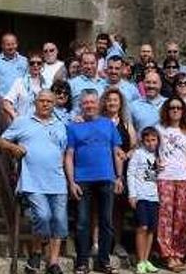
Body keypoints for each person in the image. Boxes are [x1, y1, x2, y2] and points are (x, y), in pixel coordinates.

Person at [0, 91, 68, 274]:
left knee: (59, 221)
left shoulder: (60, 125)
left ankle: (52, 262)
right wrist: (14, 147)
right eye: (42, 101)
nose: (45, 104)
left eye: (49, 102)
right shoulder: (22, 122)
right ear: (35, 103)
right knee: (43, 217)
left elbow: (63, 150)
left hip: (57, 181)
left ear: (54, 104)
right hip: (32, 181)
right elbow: (1, 141)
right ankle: (37, 251)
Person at [65, 90, 124, 274]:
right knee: (82, 222)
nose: (89, 106)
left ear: (98, 104)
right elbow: (69, 156)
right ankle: (82, 262)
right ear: (81, 105)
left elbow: (117, 152)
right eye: (85, 103)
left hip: (107, 178)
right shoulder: (73, 127)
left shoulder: (108, 124)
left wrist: (119, 177)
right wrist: (71, 182)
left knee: (106, 221)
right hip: (82, 180)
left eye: (92, 102)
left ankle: (103, 261)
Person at [155, 96, 186, 272]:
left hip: (184, 177)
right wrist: (155, 162)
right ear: (167, 109)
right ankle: (168, 255)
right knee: (165, 217)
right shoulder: (159, 129)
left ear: (183, 111)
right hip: (165, 176)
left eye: (179, 108)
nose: (175, 110)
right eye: (172, 107)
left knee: (181, 218)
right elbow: (148, 150)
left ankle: (179, 253)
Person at [101, 88, 136, 262]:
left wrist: (126, 154)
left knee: (118, 210)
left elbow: (135, 145)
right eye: (109, 100)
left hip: (121, 171)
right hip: (102, 169)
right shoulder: (99, 121)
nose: (112, 103)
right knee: (98, 208)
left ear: (120, 103)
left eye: (115, 100)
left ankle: (117, 243)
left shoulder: (127, 124)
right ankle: (98, 244)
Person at [127, 127, 161, 274]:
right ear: (142, 141)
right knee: (143, 227)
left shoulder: (158, 156)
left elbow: (153, 177)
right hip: (141, 196)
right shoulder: (138, 154)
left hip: (154, 197)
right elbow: (131, 173)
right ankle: (140, 261)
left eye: (153, 140)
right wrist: (132, 194)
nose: (150, 143)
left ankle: (147, 260)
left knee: (152, 229)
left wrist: (158, 169)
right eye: (147, 140)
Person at [0, 32, 29, 99]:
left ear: (17, 44)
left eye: (13, 44)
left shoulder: (24, 61)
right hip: (3, 102)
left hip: (22, 102)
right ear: (2, 45)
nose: (11, 47)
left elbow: (30, 79)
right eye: (8, 44)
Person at [3, 51, 46, 121]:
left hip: (41, 123)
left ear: (42, 65)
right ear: (28, 65)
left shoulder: (46, 84)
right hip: (23, 123)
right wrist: (14, 116)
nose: (35, 65)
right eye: (32, 63)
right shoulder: (20, 82)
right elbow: (6, 102)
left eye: (39, 63)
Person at [131, 72, 166, 137]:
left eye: (154, 83)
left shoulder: (168, 104)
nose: (151, 86)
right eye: (148, 82)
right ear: (143, 84)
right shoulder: (134, 106)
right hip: (142, 146)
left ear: (160, 84)